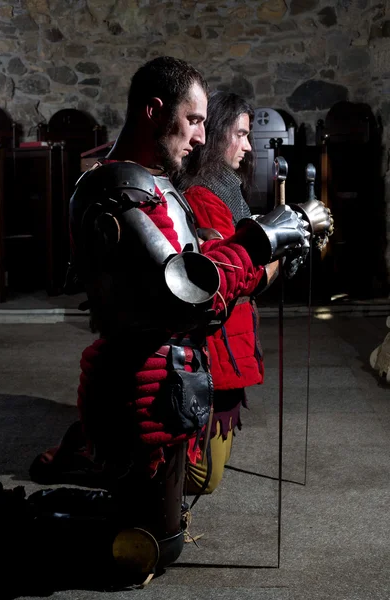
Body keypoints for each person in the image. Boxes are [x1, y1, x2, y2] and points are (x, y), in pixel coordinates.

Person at [30, 57, 310, 575]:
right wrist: (259, 239)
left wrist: (250, 258)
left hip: (169, 382)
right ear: (154, 111)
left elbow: (208, 280)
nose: (202, 137)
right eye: (195, 120)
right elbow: (188, 293)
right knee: (149, 545)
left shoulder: (157, 184)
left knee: (159, 531)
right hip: (137, 382)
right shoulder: (117, 190)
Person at [179, 91, 332, 494]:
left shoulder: (226, 190)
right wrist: (281, 243)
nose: (249, 147)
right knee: (202, 477)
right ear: (217, 135)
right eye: (241, 134)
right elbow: (237, 277)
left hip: (233, 338)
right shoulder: (202, 195)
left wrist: (286, 241)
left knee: (210, 468)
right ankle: (108, 456)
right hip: (213, 345)